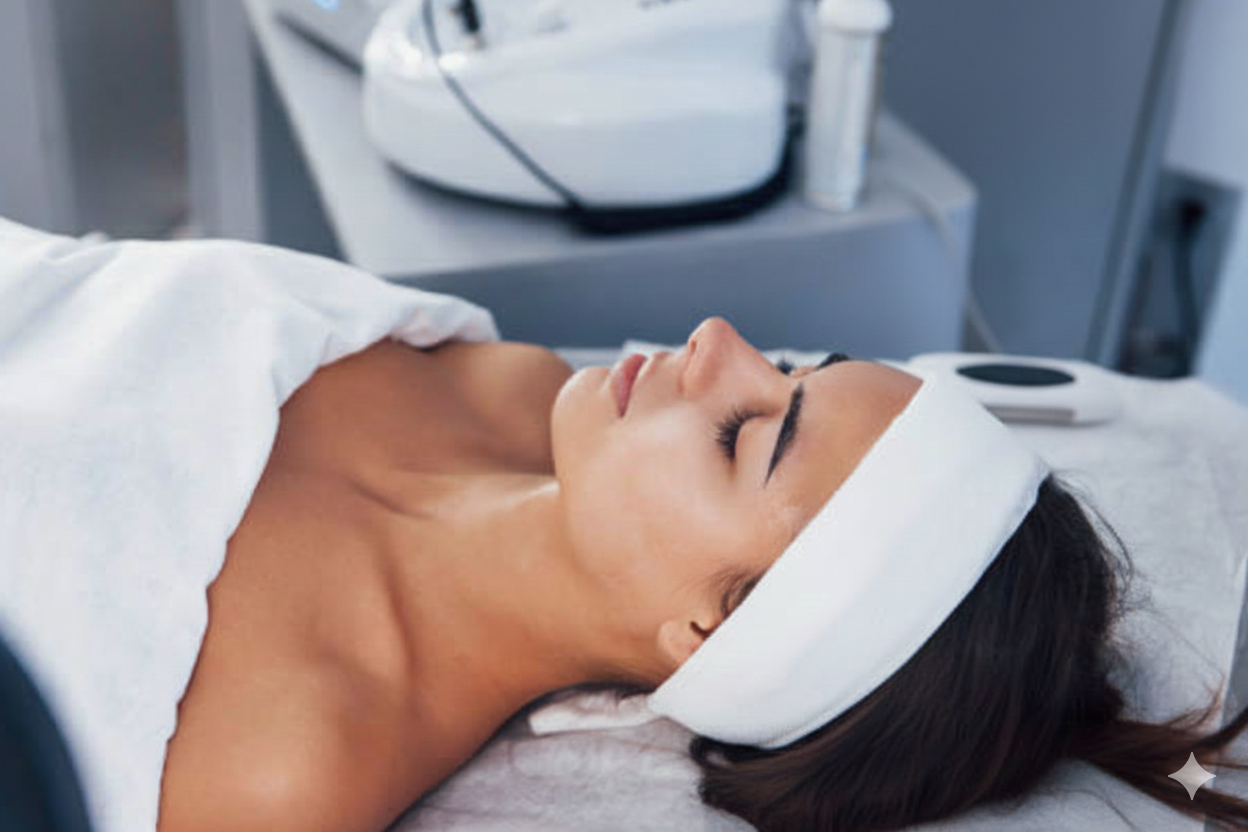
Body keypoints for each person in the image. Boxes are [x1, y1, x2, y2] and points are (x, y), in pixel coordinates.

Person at [152, 313, 1248, 832]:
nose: (716, 338)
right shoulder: (499, 381)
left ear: (711, 630)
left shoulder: (282, 768)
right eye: (789, 368)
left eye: (743, 433)